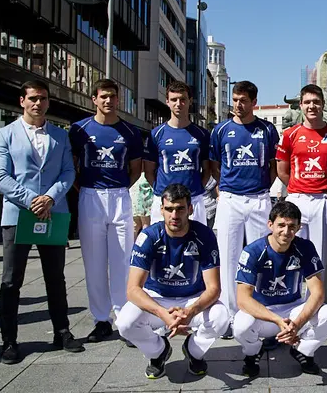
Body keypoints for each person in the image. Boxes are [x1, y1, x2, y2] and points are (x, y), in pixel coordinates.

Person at [0, 80, 83, 364]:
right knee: (10, 280)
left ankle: (62, 330)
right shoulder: (4, 134)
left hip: (52, 213)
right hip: (18, 213)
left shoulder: (60, 135)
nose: (37, 103)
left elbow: (68, 172)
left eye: (42, 98)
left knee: (55, 276)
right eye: (32, 98)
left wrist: (51, 198)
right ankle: (9, 340)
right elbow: (0, 176)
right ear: (22, 101)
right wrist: (33, 199)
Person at [116, 184, 230, 379]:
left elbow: (214, 288)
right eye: (169, 209)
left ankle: (194, 351)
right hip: (158, 298)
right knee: (125, 323)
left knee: (221, 318)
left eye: (180, 209)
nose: (174, 215)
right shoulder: (148, 236)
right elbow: (133, 290)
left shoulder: (204, 234)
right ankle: (158, 352)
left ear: (190, 209)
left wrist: (190, 311)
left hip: (192, 299)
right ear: (161, 210)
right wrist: (163, 314)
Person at [69, 78, 143, 344]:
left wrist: (119, 189)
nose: (108, 101)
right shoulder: (79, 129)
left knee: (124, 261)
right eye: (103, 97)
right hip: (90, 196)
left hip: (120, 197)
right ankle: (101, 320)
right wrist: (84, 190)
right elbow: (72, 166)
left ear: (118, 99)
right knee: (94, 262)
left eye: (113, 96)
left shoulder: (131, 132)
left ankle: (125, 320)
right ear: (94, 99)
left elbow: (135, 169)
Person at [233, 201, 327, 377]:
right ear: (270, 225)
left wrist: (296, 325)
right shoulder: (253, 251)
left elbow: (318, 293)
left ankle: (303, 350)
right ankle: (252, 354)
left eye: (291, 226)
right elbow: (243, 300)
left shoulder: (305, 247)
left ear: (298, 228)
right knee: (240, 325)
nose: (286, 231)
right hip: (264, 312)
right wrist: (277, 321)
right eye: (281, 225)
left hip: (292, 310)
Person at [209, 80, 279, 337]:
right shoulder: (220, 130)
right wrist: (227, 189)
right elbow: (216, 167)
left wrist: (261, 188)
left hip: (259, 198)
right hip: (230, 199)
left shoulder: (267, 129)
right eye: (235, 100)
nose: (238, 105)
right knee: (227, 257)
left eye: (243, 100)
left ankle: (261, 314)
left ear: (253, 102)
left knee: (261, 257)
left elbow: (273, 166)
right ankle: (229, 315)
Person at [276, 84, 327, 267]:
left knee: (321, 259)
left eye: (316, 102)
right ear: (301, 105)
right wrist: (299, 187)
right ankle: (294, 295)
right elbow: (282, 170)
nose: (312, 106)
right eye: (307, 102)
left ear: (323, 104)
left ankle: (319, 296)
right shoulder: (290, 134)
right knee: (294, 257)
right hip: (297, 200)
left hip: (325, 200)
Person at [144, 81, 211, 224]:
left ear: (190, 101)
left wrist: (197, 188)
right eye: (174, 100)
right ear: (167, 102)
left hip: (194, 200)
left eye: (182, 99)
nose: (178, 104)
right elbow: (149, 170)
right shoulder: (156, 134)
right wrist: (160, 191)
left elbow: (207, 169)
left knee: (195, 244)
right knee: (162, 245)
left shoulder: (202, 134)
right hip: (165, 200)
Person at [130, 172, 153, 236]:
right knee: (145, 224)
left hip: (135, 184)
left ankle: (133, 245)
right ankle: (143, 245)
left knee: (135, 225)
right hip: (143, 185)